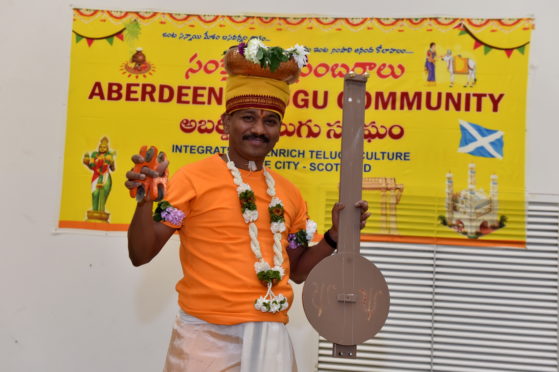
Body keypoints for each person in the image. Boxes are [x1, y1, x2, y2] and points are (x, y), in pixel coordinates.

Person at [125, 39, 371, 372]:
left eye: (270, 121)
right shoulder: (192, 179)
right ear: (226, 123)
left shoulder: (290, 194)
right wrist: (144, 204)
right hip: (203, 338)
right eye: (248, 118)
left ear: (280, 130)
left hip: (271, 336)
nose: (258, 129)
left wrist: (332, 238)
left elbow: (297, 271)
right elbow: (142, 254)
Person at [83, 136, 115, 221]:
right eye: (100, 147)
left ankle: (101, 212)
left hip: (105, 177)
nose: (102, 148)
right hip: (96, 177)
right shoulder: (95, 155)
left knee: (103, 194)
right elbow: (92, 167)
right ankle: (95, 211)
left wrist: (111, 161)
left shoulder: (109, 155)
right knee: (95, 194)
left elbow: (113, 168)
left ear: (107, 148)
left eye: (104, 147)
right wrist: (87, 163)